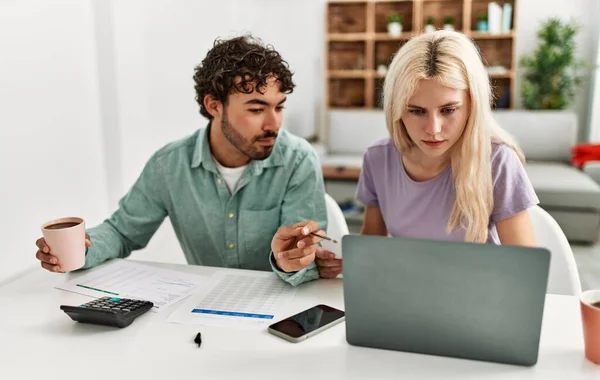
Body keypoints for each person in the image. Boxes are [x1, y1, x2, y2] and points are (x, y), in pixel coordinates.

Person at [35, 35, 326, 287]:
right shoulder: (169, 164)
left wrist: (291, 261)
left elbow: (306, 261)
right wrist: (82, 249)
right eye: (256, 108)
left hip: (279, 312)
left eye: (278, 107)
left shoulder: (298, 161)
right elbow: (122, 232)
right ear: (214, 106)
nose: (273, 123)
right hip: (198, 313)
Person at [316, 30, 538, 278]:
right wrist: (347, 261)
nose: (433, 129)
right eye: (417, 111)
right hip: (407, 295)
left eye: (448, 109)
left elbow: (525, 272)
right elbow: (373, 245)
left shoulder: (497, 162)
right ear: (396, 108)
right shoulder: (378, 159)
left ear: (472, 105)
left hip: (478, 300)